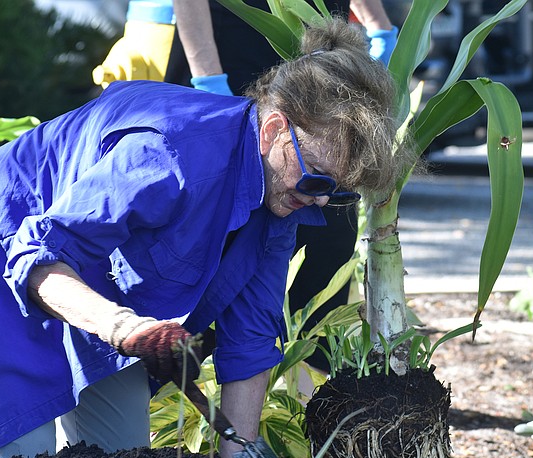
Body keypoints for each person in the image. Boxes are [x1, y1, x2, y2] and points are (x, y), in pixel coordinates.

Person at [0, 17, 409, 458]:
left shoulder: (280, 196)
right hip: (4, 248)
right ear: (275, 129)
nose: (316, 199)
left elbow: (252, 336)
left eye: (334, 191)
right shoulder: (170, 156)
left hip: (100, 287)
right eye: (314, 178)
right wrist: (124, 329)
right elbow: (36, 257)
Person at [166, 0, 397, 370]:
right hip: (231, 56)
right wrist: (208, 78)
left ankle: (304, 394)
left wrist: (379, 26)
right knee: (222, 236)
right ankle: (189, 378)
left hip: (322, 63)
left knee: (329, 233)